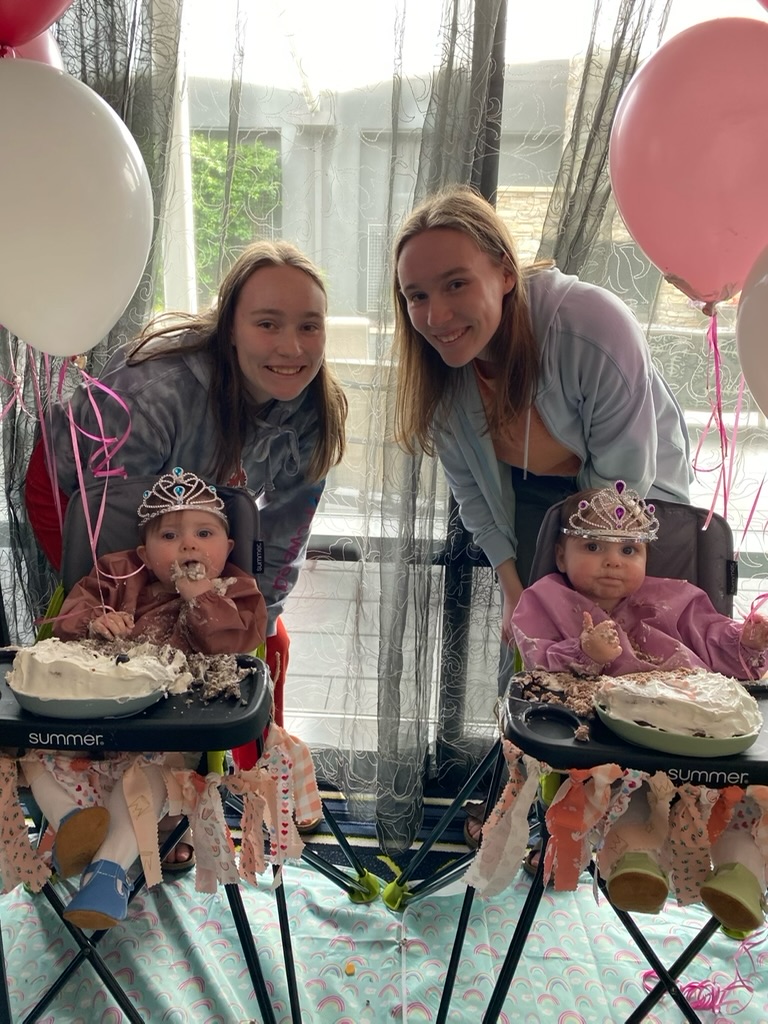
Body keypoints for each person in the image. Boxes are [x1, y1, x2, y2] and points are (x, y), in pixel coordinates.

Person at [392, 184, 692, 843]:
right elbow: (474, 494)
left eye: (454, 284)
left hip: (632, 503)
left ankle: (614, 822)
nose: (436, 313)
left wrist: (589, 599)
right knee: (531, 651)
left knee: (623, 652)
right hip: (526, 499)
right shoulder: (440, 371)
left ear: (504, 270)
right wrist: (517, 595)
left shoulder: (591, 325)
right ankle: (520, 807)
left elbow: (618, 488)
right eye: (417, 295)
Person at [25, 240, 347, 789]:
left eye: (309, 326)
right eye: (267, 324)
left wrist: (256, 617)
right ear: (229, 328)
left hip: (193, 510)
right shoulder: (156, 391)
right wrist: (152, 608)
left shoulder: (315, 405)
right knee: (140, 635)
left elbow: (283, 531)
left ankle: (251, 774)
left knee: (266, 638)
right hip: (79, 493)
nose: (292, 347)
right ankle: (120, 786)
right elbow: (114, 539)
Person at [512, 482, 768, 932]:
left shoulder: (676, 598)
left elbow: (716, 641)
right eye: (593, 546)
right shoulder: (544, 599)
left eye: (630, 549)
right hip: (613, 743)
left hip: (697, 729)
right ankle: (633, 864)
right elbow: (536, 664)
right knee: (623, 788)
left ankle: (741, 877)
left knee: (750, 793)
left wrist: (745, 641)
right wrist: (583, 652)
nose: (613, 560)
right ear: (560, 555)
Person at [20, 467, 267, 930]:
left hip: (170, 728)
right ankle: (69, 819)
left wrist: (201, 599)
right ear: (144, 550)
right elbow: (71, 613)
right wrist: (95, 621)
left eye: (204, 533)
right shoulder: (118, 574)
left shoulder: (236, 592)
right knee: (28, 750)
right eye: (170, 535)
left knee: (153, 773)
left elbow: (230, 647)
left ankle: (108, 866)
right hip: (89, 718)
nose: (188, 545)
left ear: (227, 549)